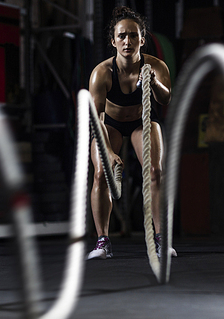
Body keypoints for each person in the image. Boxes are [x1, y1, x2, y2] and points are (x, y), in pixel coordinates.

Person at [87, 6, 176, 259]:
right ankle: (103, 242)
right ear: (113, 40)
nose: (128, 41)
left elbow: (166, 99)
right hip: (109, 124)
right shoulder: (102, 73)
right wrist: (107, 152)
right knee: (101, 173)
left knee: (156, 172)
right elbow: (97, 119)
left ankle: (161, 239)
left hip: (142, 120)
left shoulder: (156, 65)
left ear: (142, 39)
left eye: (134, 35)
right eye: (122, 36)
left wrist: (152, 82)